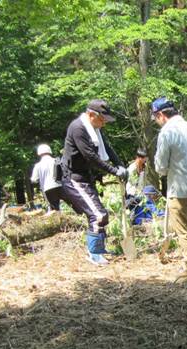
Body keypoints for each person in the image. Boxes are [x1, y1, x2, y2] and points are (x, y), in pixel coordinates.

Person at [61, 99, 128, 265]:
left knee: (98, 214)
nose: (103, 124)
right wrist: (113, 171)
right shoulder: (78, 128)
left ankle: (99, 248)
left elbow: (108, 148)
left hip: (85, 177)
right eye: (102, 119)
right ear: (91, 115)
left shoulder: (95, 129)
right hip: (73, 178)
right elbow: (90, 156)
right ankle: (94, 253)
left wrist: (120, 165)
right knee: (98, 215)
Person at [151, 96, 187, 276]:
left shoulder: (167, 133)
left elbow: (160, 167)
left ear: (161, 115)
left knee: (184, 229)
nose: (156, 121)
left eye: (155, 117)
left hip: (181, 191)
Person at [31, 144, 63, 213]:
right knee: (69, 205)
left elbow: (34, 180)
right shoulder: (56, 160)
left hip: (47, 189)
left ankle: (59, 220)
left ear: (39, 153)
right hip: (60, 186)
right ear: (49, 151)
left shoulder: (38, 165)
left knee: (54, 209)